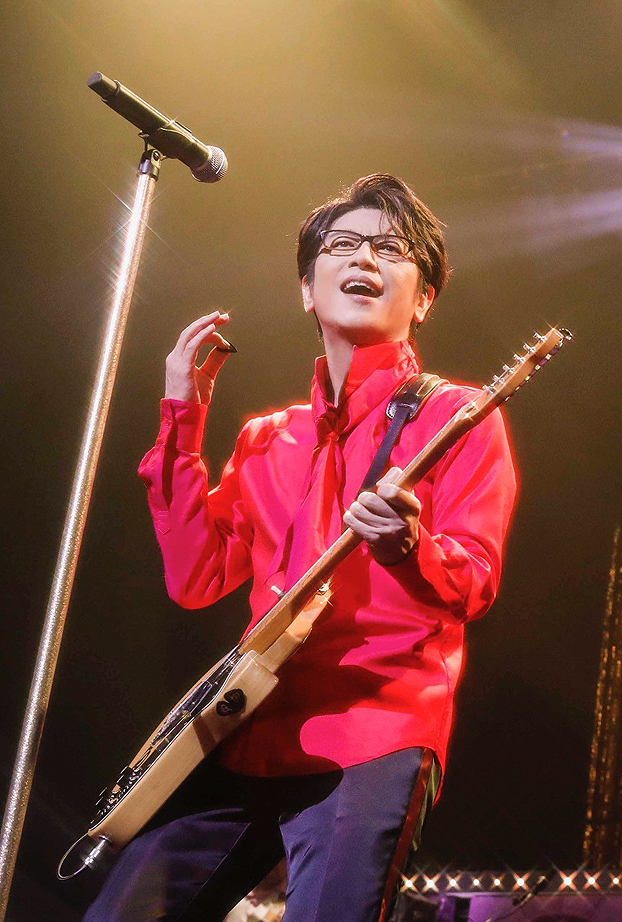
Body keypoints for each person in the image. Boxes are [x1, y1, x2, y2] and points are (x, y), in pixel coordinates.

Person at [83, 174, 517, 922]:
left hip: (373, 730)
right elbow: (195, 577)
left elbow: (474, 583)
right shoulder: (268, 437)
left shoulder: (458, 417)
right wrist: (182, 418)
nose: (366, 258)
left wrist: (410, 548)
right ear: (307, 290)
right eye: (344, 244)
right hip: (245, 725)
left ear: (423, 299)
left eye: (392, 250)